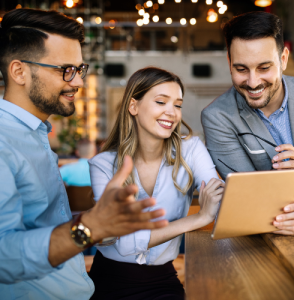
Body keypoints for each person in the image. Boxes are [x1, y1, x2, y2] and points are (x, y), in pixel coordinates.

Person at [0, 9, 168, 300]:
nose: (77, 82)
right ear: (19, 72)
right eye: (65, 69)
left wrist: (101, 219)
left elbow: (41, 224)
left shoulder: (35, 133)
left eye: (80, 69)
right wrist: (89, 227)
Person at [88, 67, 224, 300]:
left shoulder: (191, 149)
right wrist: (199, 218)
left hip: (163, 279)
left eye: (178, 105)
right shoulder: (102, 165)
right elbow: (125, 243)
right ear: (134, 106)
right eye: (161, 102)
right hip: (109, 281)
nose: (171, 112)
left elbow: (219, 199)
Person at [201, 11, 294, 235]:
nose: (253, 82)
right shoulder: (217, 117)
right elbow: (250, 203)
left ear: (283, 59)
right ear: (229, 62)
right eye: (241, 69)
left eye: (264, 68)